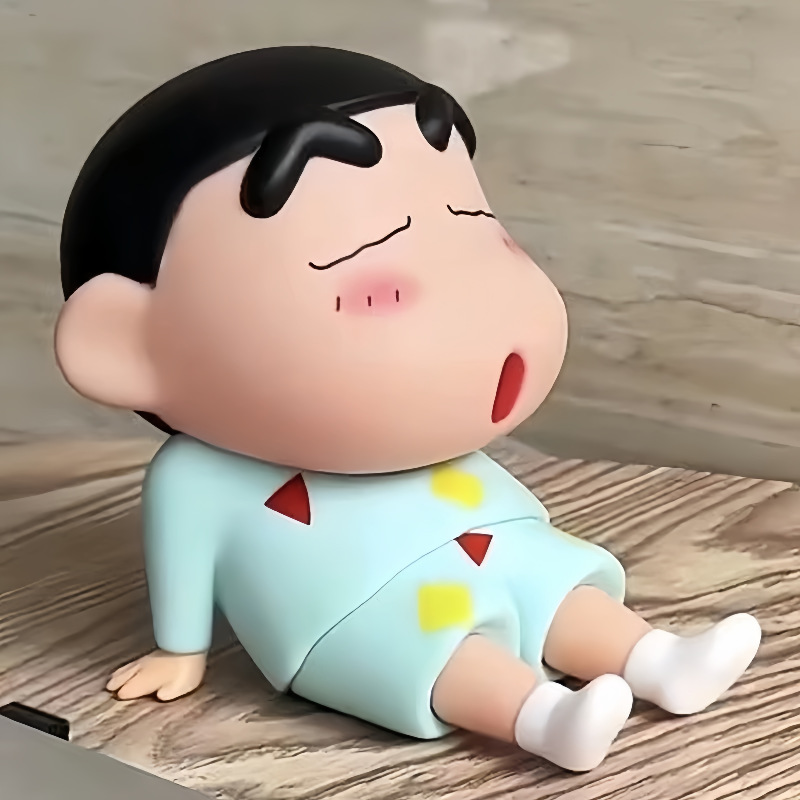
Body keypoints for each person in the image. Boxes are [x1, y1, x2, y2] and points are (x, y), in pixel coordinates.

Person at [55, 46, 761, 772]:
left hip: (479, 541)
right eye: (371, 283)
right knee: (437, 646)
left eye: (481, 231)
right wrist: (181, 650)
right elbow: (184, 553)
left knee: (552, 584)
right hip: (343, 608)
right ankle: (543, 718)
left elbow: (494, 501)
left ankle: (659, 661)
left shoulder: (429, 444)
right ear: (129, 346)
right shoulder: (200, 476)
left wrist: (520, 527)